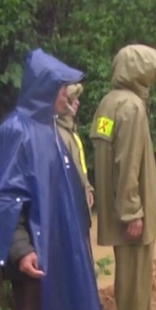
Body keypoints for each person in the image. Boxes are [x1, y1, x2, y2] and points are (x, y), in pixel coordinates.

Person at [0, 48, 105, 310]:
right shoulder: (17, 132)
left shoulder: (48, 129)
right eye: (61, 88)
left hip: (57, 251)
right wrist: (22, 251)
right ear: (45, 89)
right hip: (33, 261)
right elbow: (3, 201)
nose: (66, 95)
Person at [90, 44, 156, 310]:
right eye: (150, 73)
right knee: (133, 275)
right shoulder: (132, 107)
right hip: (129, 208)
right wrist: (131, 211)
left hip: (114, 203)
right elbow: (127, 161)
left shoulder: (107, 104)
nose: (152, 79)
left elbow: (104, 155)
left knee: (134, 271)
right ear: (138, 72)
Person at [56, 83, 95, 229]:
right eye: (73, 99)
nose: (77, 103)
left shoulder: (70, 130)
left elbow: (80, 165)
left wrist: (87, 188)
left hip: (80, 200)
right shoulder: (57, 133)